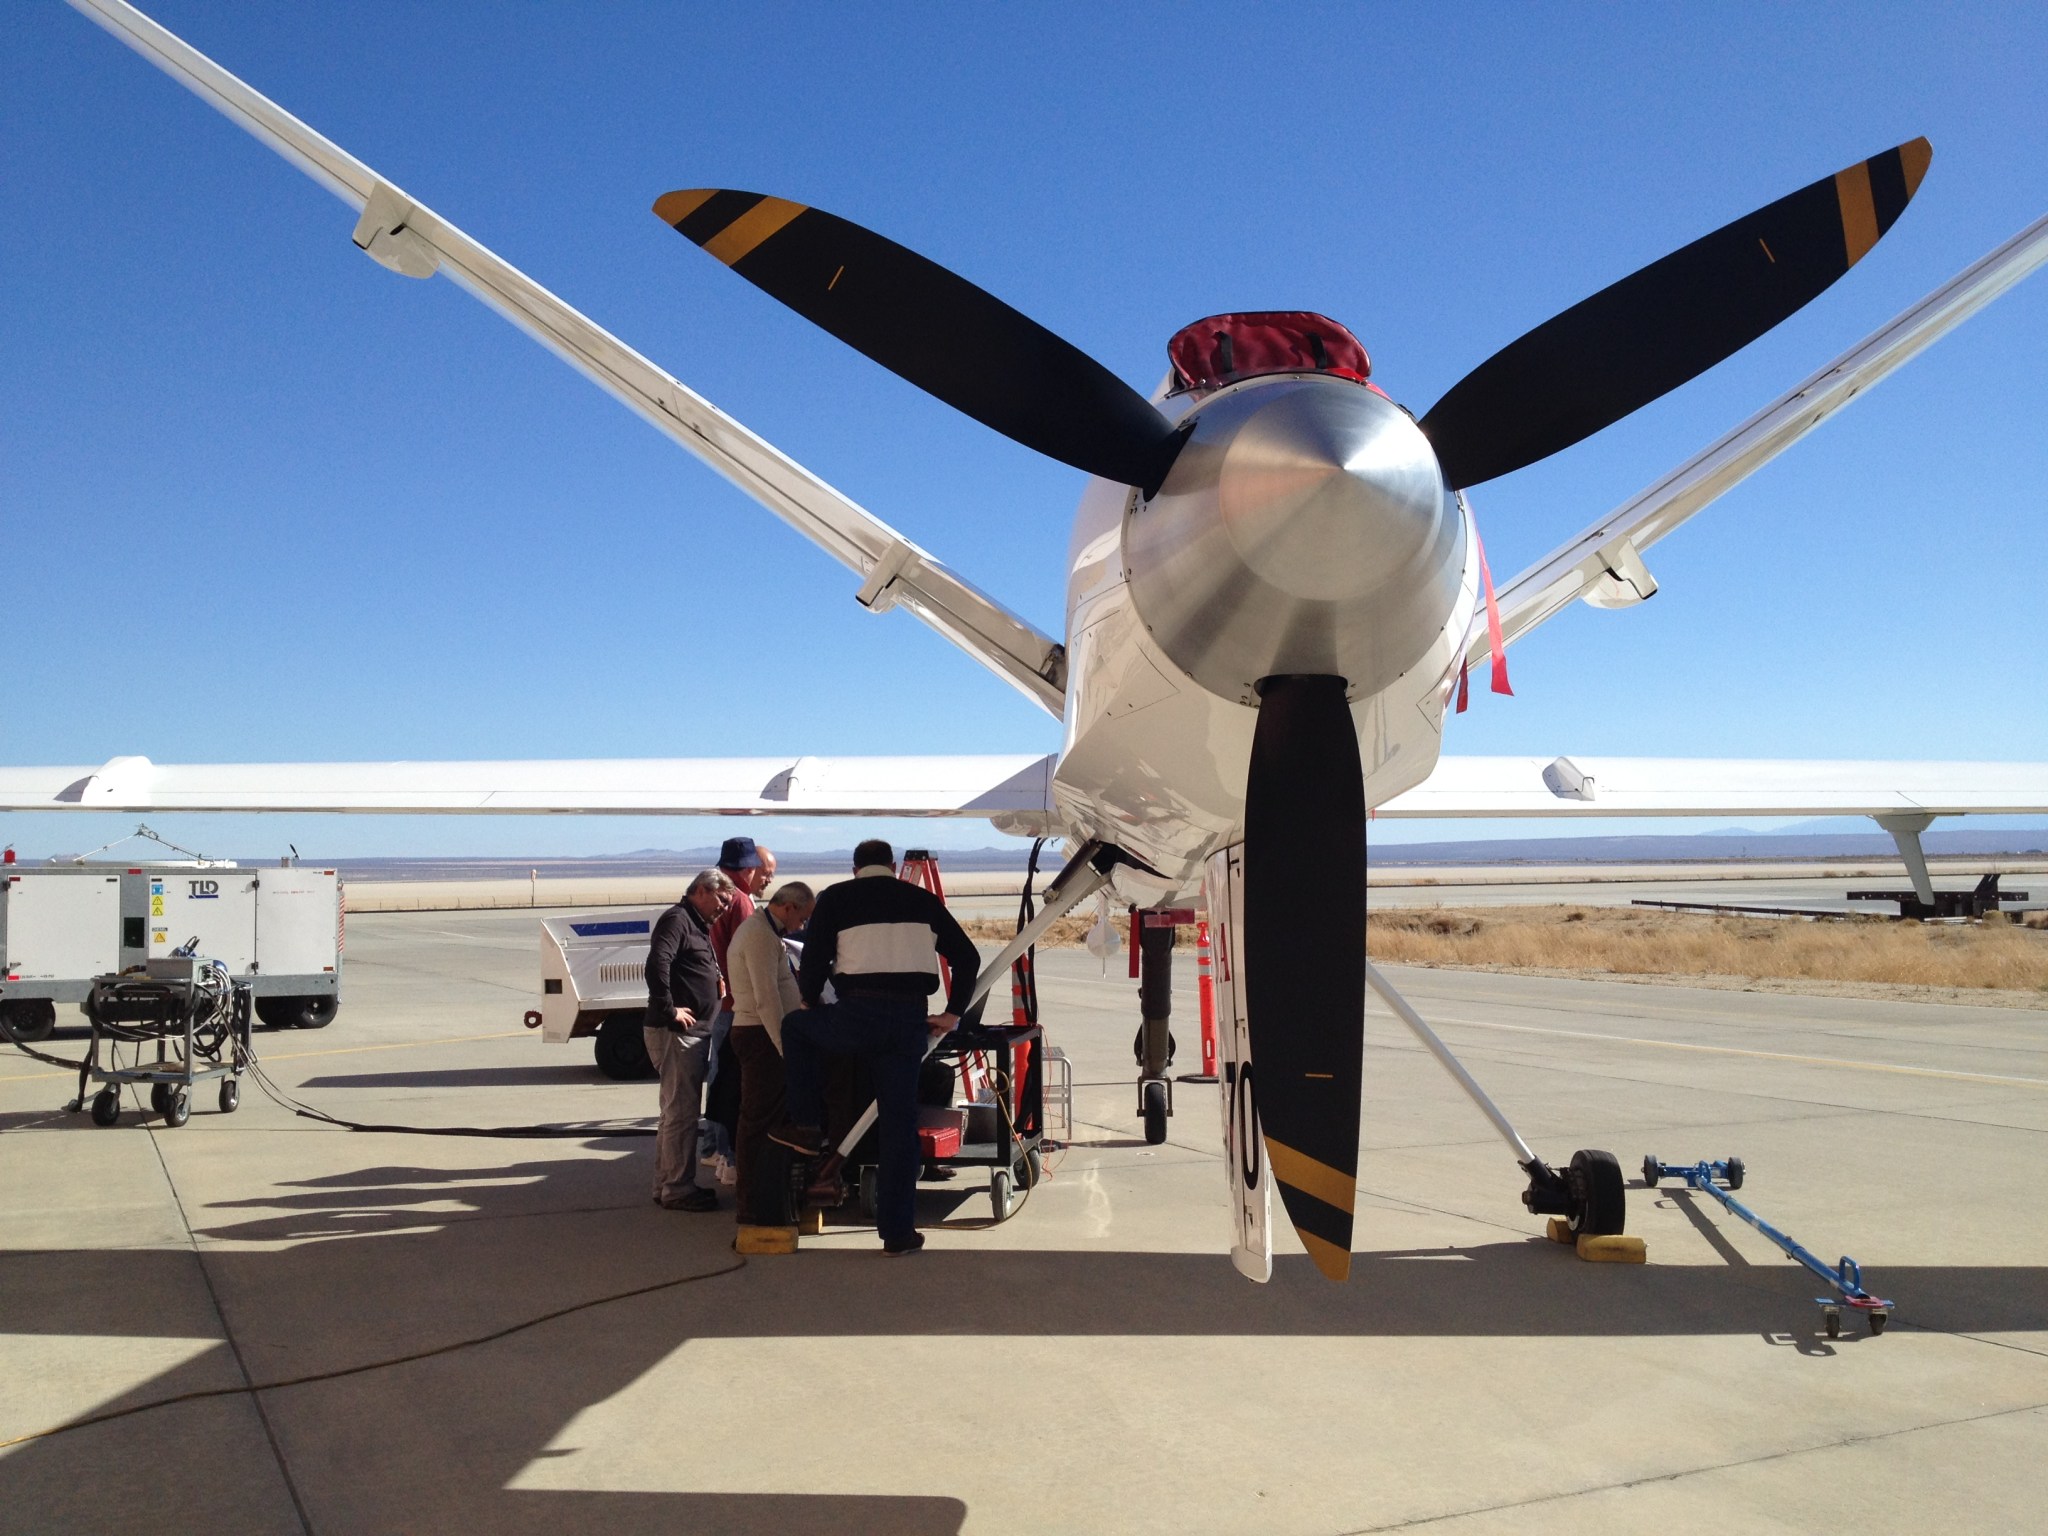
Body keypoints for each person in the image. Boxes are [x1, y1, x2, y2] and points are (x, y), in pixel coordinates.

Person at [772, 839, 980, 1255]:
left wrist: (810, 1000)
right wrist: (953, 1013)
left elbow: (814, 960)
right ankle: (898, 1233)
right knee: (898, 1126)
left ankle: (808, 1126)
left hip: (856, 1015)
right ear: (891, 865)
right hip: (907, 1022)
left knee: (795, 1028)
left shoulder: (836, 899)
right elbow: (968, 958)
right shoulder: (922, 901)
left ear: (855, 869)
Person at [644, 868, 733, 1212]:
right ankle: (678, 1188)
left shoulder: (697, 923)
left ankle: (666, 1184)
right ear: (701, 890)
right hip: (678, 1034)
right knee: (682, 1113)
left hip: (688, 1033)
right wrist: (669, 1010)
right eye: (722, 899)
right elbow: (657, 964)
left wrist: (716, 977)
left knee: (672, 1113)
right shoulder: (678, 919)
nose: (724, 907)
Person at [726, 880, 815, 1223]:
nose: (802, 926)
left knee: (770, 1118)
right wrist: (784, 1048)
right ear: (789, 907)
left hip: (763, 1035)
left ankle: (766, 1193)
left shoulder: (765, 931)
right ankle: (751, 1203)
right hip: (759, 1037)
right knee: (758, 1120)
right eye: (802, 917)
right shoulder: (760, 935)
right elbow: (766, 999)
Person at [703, 836, 767, 1182]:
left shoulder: (715, 896)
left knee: (717, 1074)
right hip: (735, 1002)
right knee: (733, 1079)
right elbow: (748, 955)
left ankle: (713, 1146)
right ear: (748, 868)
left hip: (717, 1000)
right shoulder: (740, 901)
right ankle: (726, 1152)